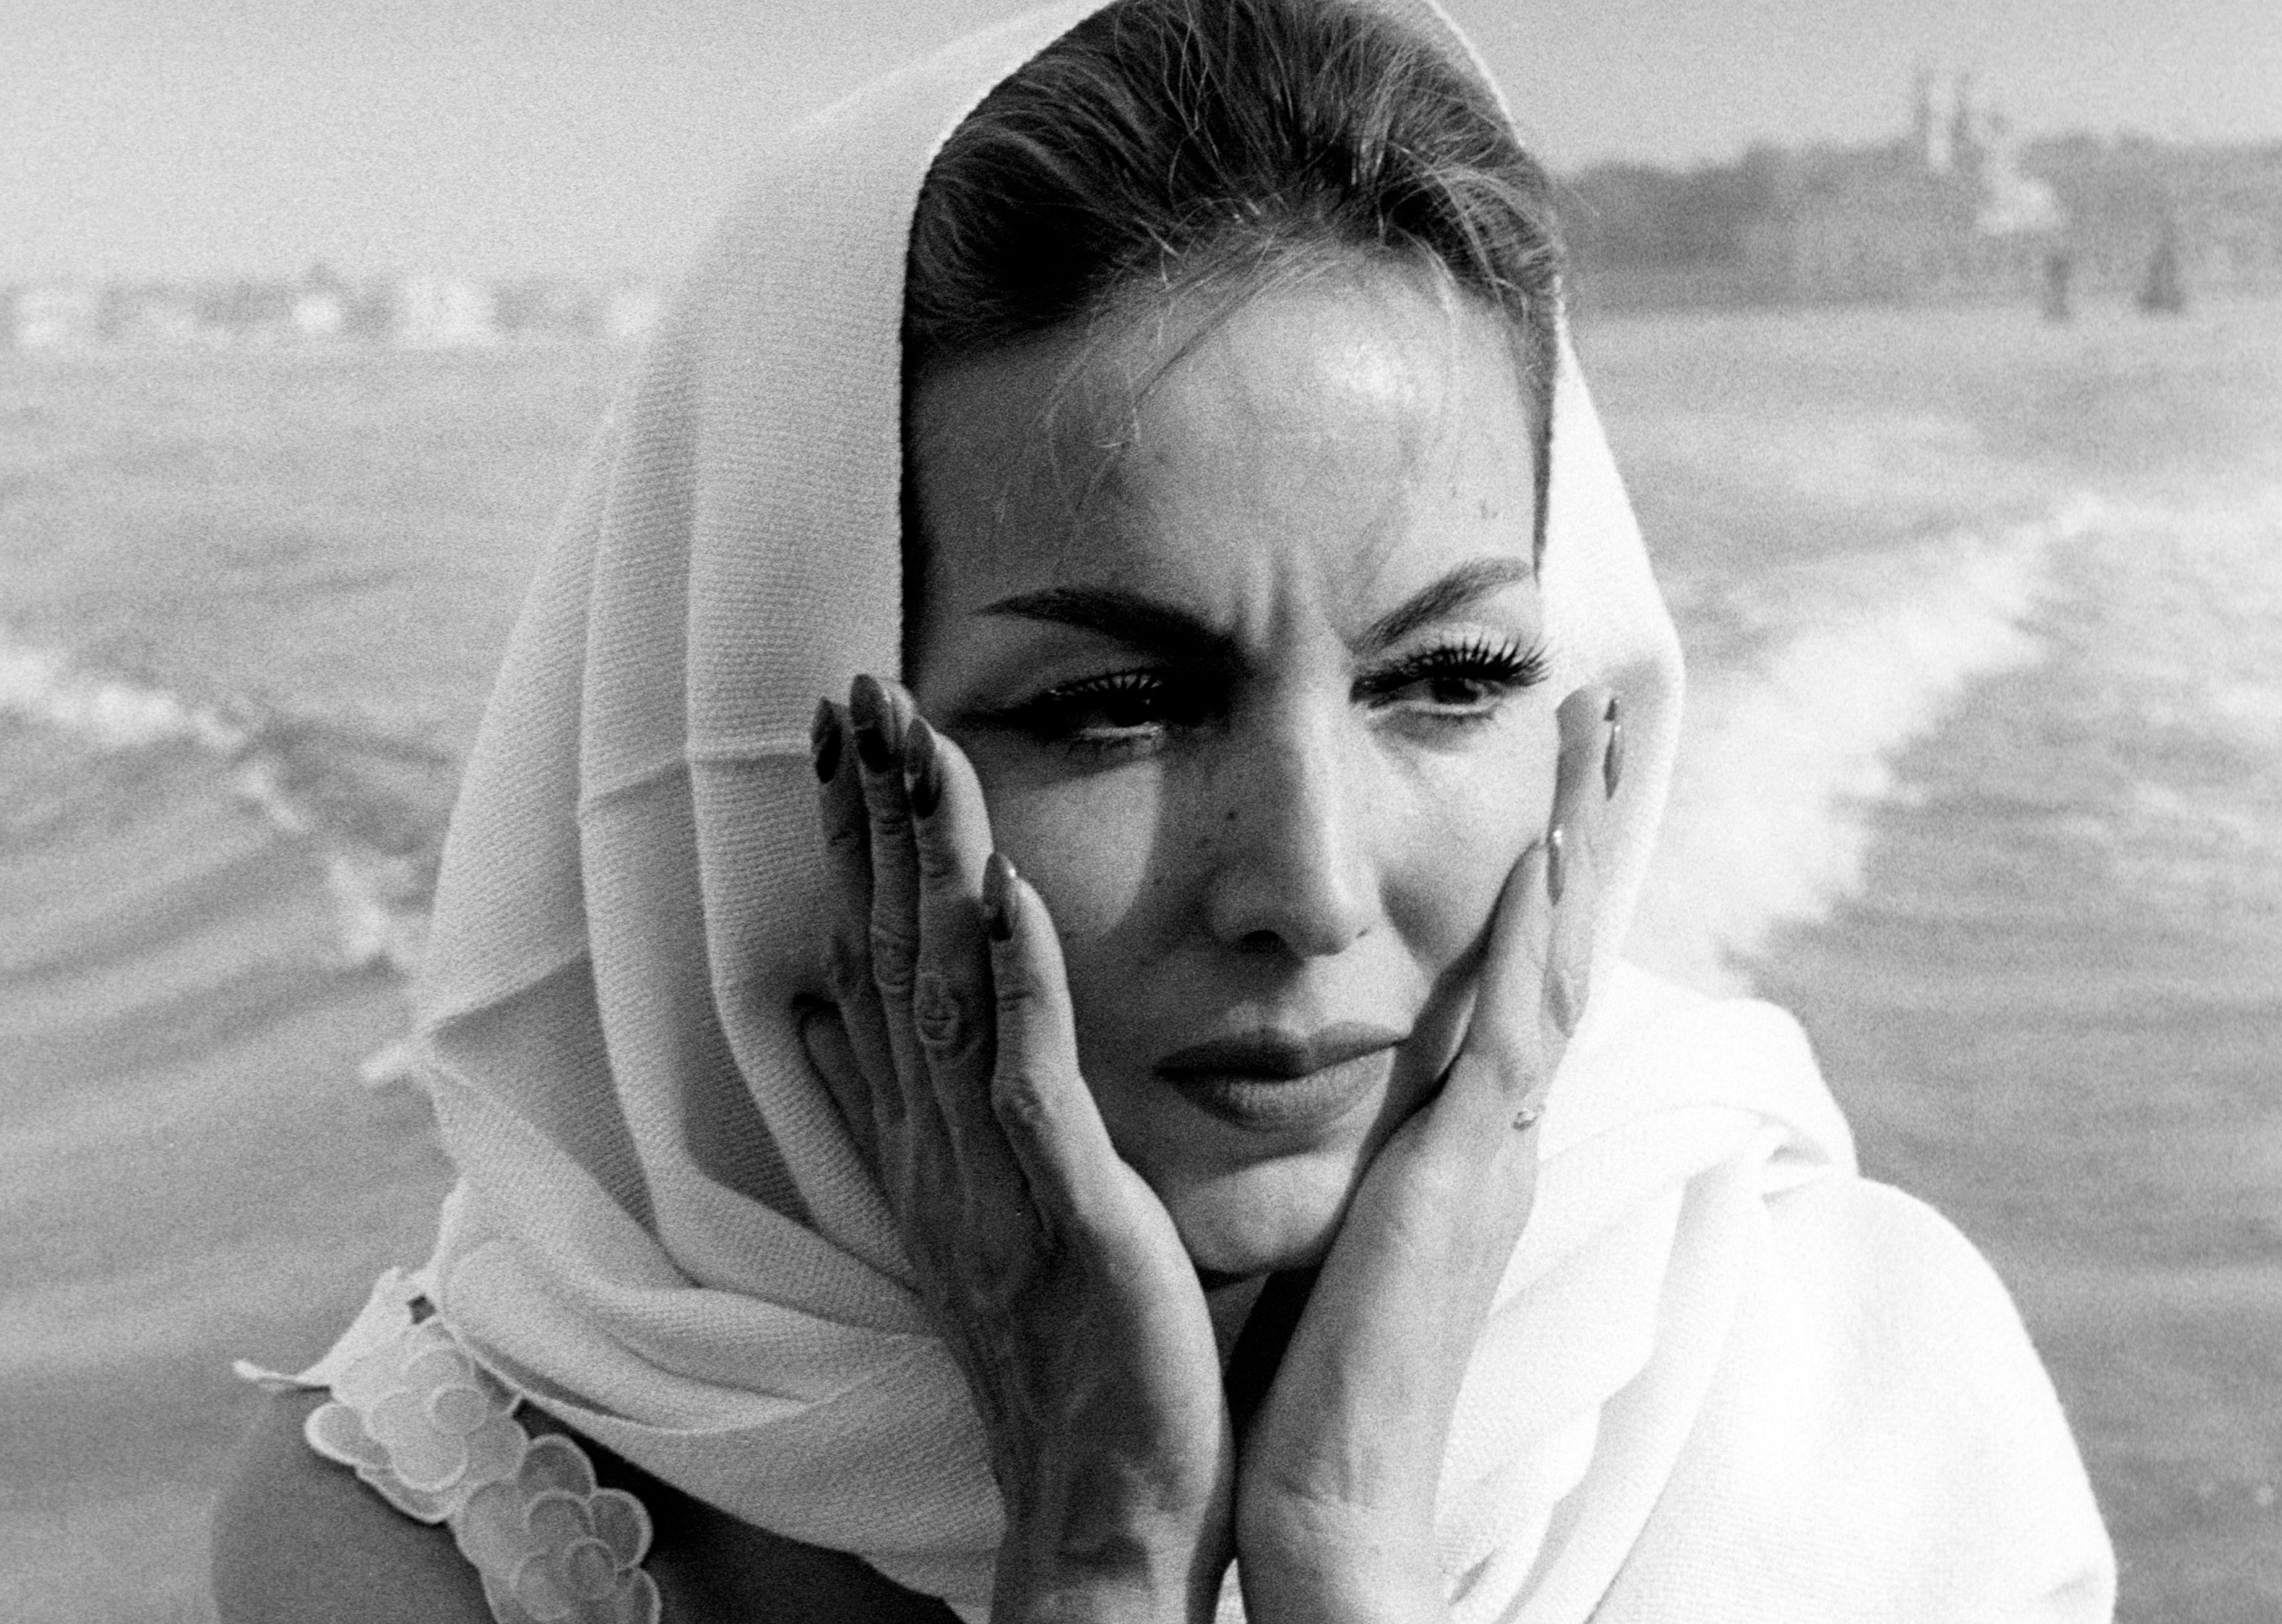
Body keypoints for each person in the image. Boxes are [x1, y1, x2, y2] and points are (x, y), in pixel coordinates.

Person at [211, 1, 2117, 1619]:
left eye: (1445, 681)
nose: (1303, 882)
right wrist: (1107, 1549)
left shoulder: (1852, 1420)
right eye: (1115, 705)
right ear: (784, 781)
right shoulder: (437, 1543)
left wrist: (1338, 1533)